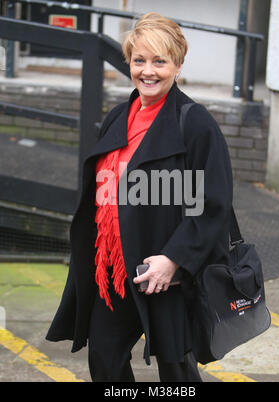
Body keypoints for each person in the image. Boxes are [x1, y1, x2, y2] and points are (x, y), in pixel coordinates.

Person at [46, 12, 233, 382]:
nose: (148, 71)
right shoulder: (118, 116)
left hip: (164, 274)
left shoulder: (194, 123)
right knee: (104, 358)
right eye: (139, 60)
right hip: (114, 269)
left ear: (178, 65)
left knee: (176, 370)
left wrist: (174, 260)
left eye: (160, 61)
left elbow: (211, 205)